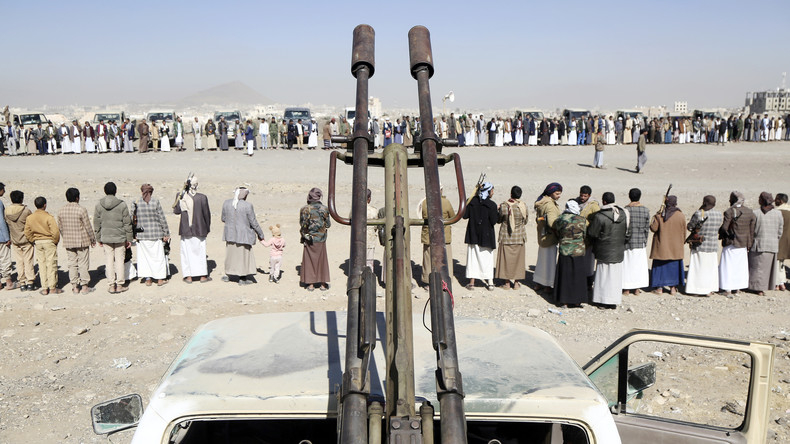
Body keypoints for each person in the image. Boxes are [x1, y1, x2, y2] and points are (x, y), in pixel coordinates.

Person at [588, 192, 629, 308]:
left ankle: (602, 301)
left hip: (604, 251)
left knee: (603, 276)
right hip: (618, 251)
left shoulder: (599, 216)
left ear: (604, 201)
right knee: (615, 277)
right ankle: (613, 301)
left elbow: (592, 233)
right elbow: (628, 233)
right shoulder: (624, 214)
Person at [94, 182, 133, 294]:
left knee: (109, 261)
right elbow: (127, 223)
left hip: (106, 237)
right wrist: (129, 238)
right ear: (115, 191)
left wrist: (98, 238)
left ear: (105, 191)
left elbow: (96, 223)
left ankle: (111, 285)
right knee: (119, 261)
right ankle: (120, 285)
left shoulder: (99, 205)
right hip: (120, 237)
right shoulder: (122, 205)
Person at [57, 188, 96, 294]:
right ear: (77, 198)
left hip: (68, 240)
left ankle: (75, 287)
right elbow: (88, 226)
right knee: (83, 263)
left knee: (72, 264)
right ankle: (84, 286)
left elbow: (60, 227)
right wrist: (92, 239)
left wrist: (65, 237)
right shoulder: (81, 209)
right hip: (82, 240)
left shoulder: (61, 210)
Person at [222, 187, 265, 285]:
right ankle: (242, 278)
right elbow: (253, 222)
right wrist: (260, 234)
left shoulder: (226, 203)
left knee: (231, 255)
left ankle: (228, 275)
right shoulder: (247, 205)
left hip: (230, 235)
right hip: (243, 235)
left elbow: (223, 218)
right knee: (243, 256)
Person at [174, 177, 211, 283]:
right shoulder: (202, 197)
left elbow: (176, 211)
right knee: (200, 252)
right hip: (200, 228)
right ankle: (203, 276)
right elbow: (207, 215)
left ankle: (188, 276)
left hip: (186, 229)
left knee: (186, 253)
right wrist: (207, 228)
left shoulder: (180, 196)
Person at [718, 191, 755, 296]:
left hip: (731, 243)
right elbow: (752, 230)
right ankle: (737, 288)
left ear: (733, 200)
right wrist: (749, 243)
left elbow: (724, 228)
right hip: (743, 244)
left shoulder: (729, 211)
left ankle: (727, 289)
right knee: (739, 266)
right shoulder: (749, 212)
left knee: (728, 266)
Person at [132, 184, 170, 286]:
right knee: (158, 257)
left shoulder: (136, 202)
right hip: (156, 234)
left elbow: (132, 218)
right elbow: (162, 218)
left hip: (142, 235)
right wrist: (166, 233)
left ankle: (148, 279)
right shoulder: (155, 201)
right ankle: (160, 279)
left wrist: (133, 234)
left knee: (144, 258)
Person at [685, 196, 723, 296]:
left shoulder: (699, 214)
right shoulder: (719, 214)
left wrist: (700, 209)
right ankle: (710, 289)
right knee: (710, 269)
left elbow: (690, 227)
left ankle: (698, 289)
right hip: (712, 245)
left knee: (698, 268)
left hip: (700, 245)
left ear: (704, 202)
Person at [463, 182, 498, 290]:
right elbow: (494, 221)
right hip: (486, 236)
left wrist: (469, 200)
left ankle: (472, 282)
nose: (493, 193)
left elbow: (464, 215)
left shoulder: (472, 202)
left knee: (473, 259)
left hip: (473, 235)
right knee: (487, 259)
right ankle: (490, 282)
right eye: (492, 190)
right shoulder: (492, 205)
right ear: (488, 191)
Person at [418, 187, 455, 288]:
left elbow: (422, 215)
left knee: (428, 259)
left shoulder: (425, 202)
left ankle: (428, 281)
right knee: (446, 258)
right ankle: (446, 280)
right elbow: (452, 216)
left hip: (428, 235)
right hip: (444, 235)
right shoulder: (446, 202)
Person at [649, 196, 686, 295]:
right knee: (674, 267)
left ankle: (659, 288)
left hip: (662, 248)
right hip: (675, 248)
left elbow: (653, 228)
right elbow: (684, 232)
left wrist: (656, 216)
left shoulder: (660, 215)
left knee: (660, 267)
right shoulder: (681, 215)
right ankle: (673, 288)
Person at [24, 197, 61, 295]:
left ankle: (44, 288)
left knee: (42, 265)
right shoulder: (49, 217)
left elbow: (27, 232)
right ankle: (52, 287)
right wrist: (55, 241)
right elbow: (55, 232)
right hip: (49, 241)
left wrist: (33, 240)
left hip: (38, 242)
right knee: (51, 264)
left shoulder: (30, 218)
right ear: (45, 205)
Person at [749, 192, 784, 295]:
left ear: (762, 200)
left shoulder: (755, 213)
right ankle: (765, 286)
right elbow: (780, 231)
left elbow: (752, 230)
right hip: (772, 245)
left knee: (757, 268)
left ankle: (758, 288)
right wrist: (775, 240)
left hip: (758, 245)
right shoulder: (778, 213)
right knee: (767, 269)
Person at [553, 200, 587, 307]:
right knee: (578, 276)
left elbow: (557, 231)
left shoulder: (561, 219)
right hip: (578, 251)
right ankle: (577, 301)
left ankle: (564, 301)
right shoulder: (582, 220)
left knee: (565, 276)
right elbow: (584, 234)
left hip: (565, 250)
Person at [495, 186, 528, 289]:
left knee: (505, 260)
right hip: (519, 237)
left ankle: (507, 283)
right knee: (518, 261)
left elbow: (499, 220)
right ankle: (516, 283)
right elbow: (525, 221)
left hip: (506, 237)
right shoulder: (523, 206)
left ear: (511, 194)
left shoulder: (504, 206)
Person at [299, 188, 331, 291]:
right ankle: (323, 284)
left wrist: (305, 235)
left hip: (309, 238)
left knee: (309, 261)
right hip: (321, 238)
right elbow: (328, 224)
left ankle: (311, 284)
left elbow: (302, 224)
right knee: (322, 260)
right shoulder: (324, 209)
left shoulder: (304, 209)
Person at [533, 182, 563, 293]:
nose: (559, 196)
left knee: (541, 261)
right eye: (557, 193)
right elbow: (552, 223)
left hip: (542, 236)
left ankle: (538, 283)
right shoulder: (550, 205)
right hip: (550, 237)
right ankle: (547, 285)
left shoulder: (542, 201)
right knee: (549, 263)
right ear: (551, 193)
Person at [5, 190, 35, 291]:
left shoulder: (7, 210)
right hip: (26, 239)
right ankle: (30, 282)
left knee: (19, 261)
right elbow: (31, 224)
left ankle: (22, 282)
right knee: (28, 261)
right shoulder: (26, 211)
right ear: (21, 199)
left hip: (15, 239)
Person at [622, 188, 650, 295]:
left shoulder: (625, 210)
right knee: (638, 266)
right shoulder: (645, 210)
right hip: (640, 241)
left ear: (629, 196)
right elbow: (646, 228)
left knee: (627, 265)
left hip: (627, 242)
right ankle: (637, 289)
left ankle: (626, 288)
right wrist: (644, 241)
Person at [575, 186, 600, 288]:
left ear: (589, 196)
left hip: (588, 238)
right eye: (581, 195)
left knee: (588, 262)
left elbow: (598, 221)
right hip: (577, 238)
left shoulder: (594, 206)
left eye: (585, 196)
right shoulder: (576, 202)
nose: (582, 198)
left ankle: (588, 283)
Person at [776, 193, 790, 291]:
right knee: (781, 264)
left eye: (776, 199)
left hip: (780, 240)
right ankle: (782, 282)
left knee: (777, 262)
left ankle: (778, 283)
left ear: (780, 201)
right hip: (788, 241)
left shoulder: (777, 212)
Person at [0, 183, 11, 290]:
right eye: (3, 189)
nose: (4, 191)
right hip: (1, 237)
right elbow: (1, 221)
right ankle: (8, 282)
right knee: (5, 259)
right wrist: (7, 237)